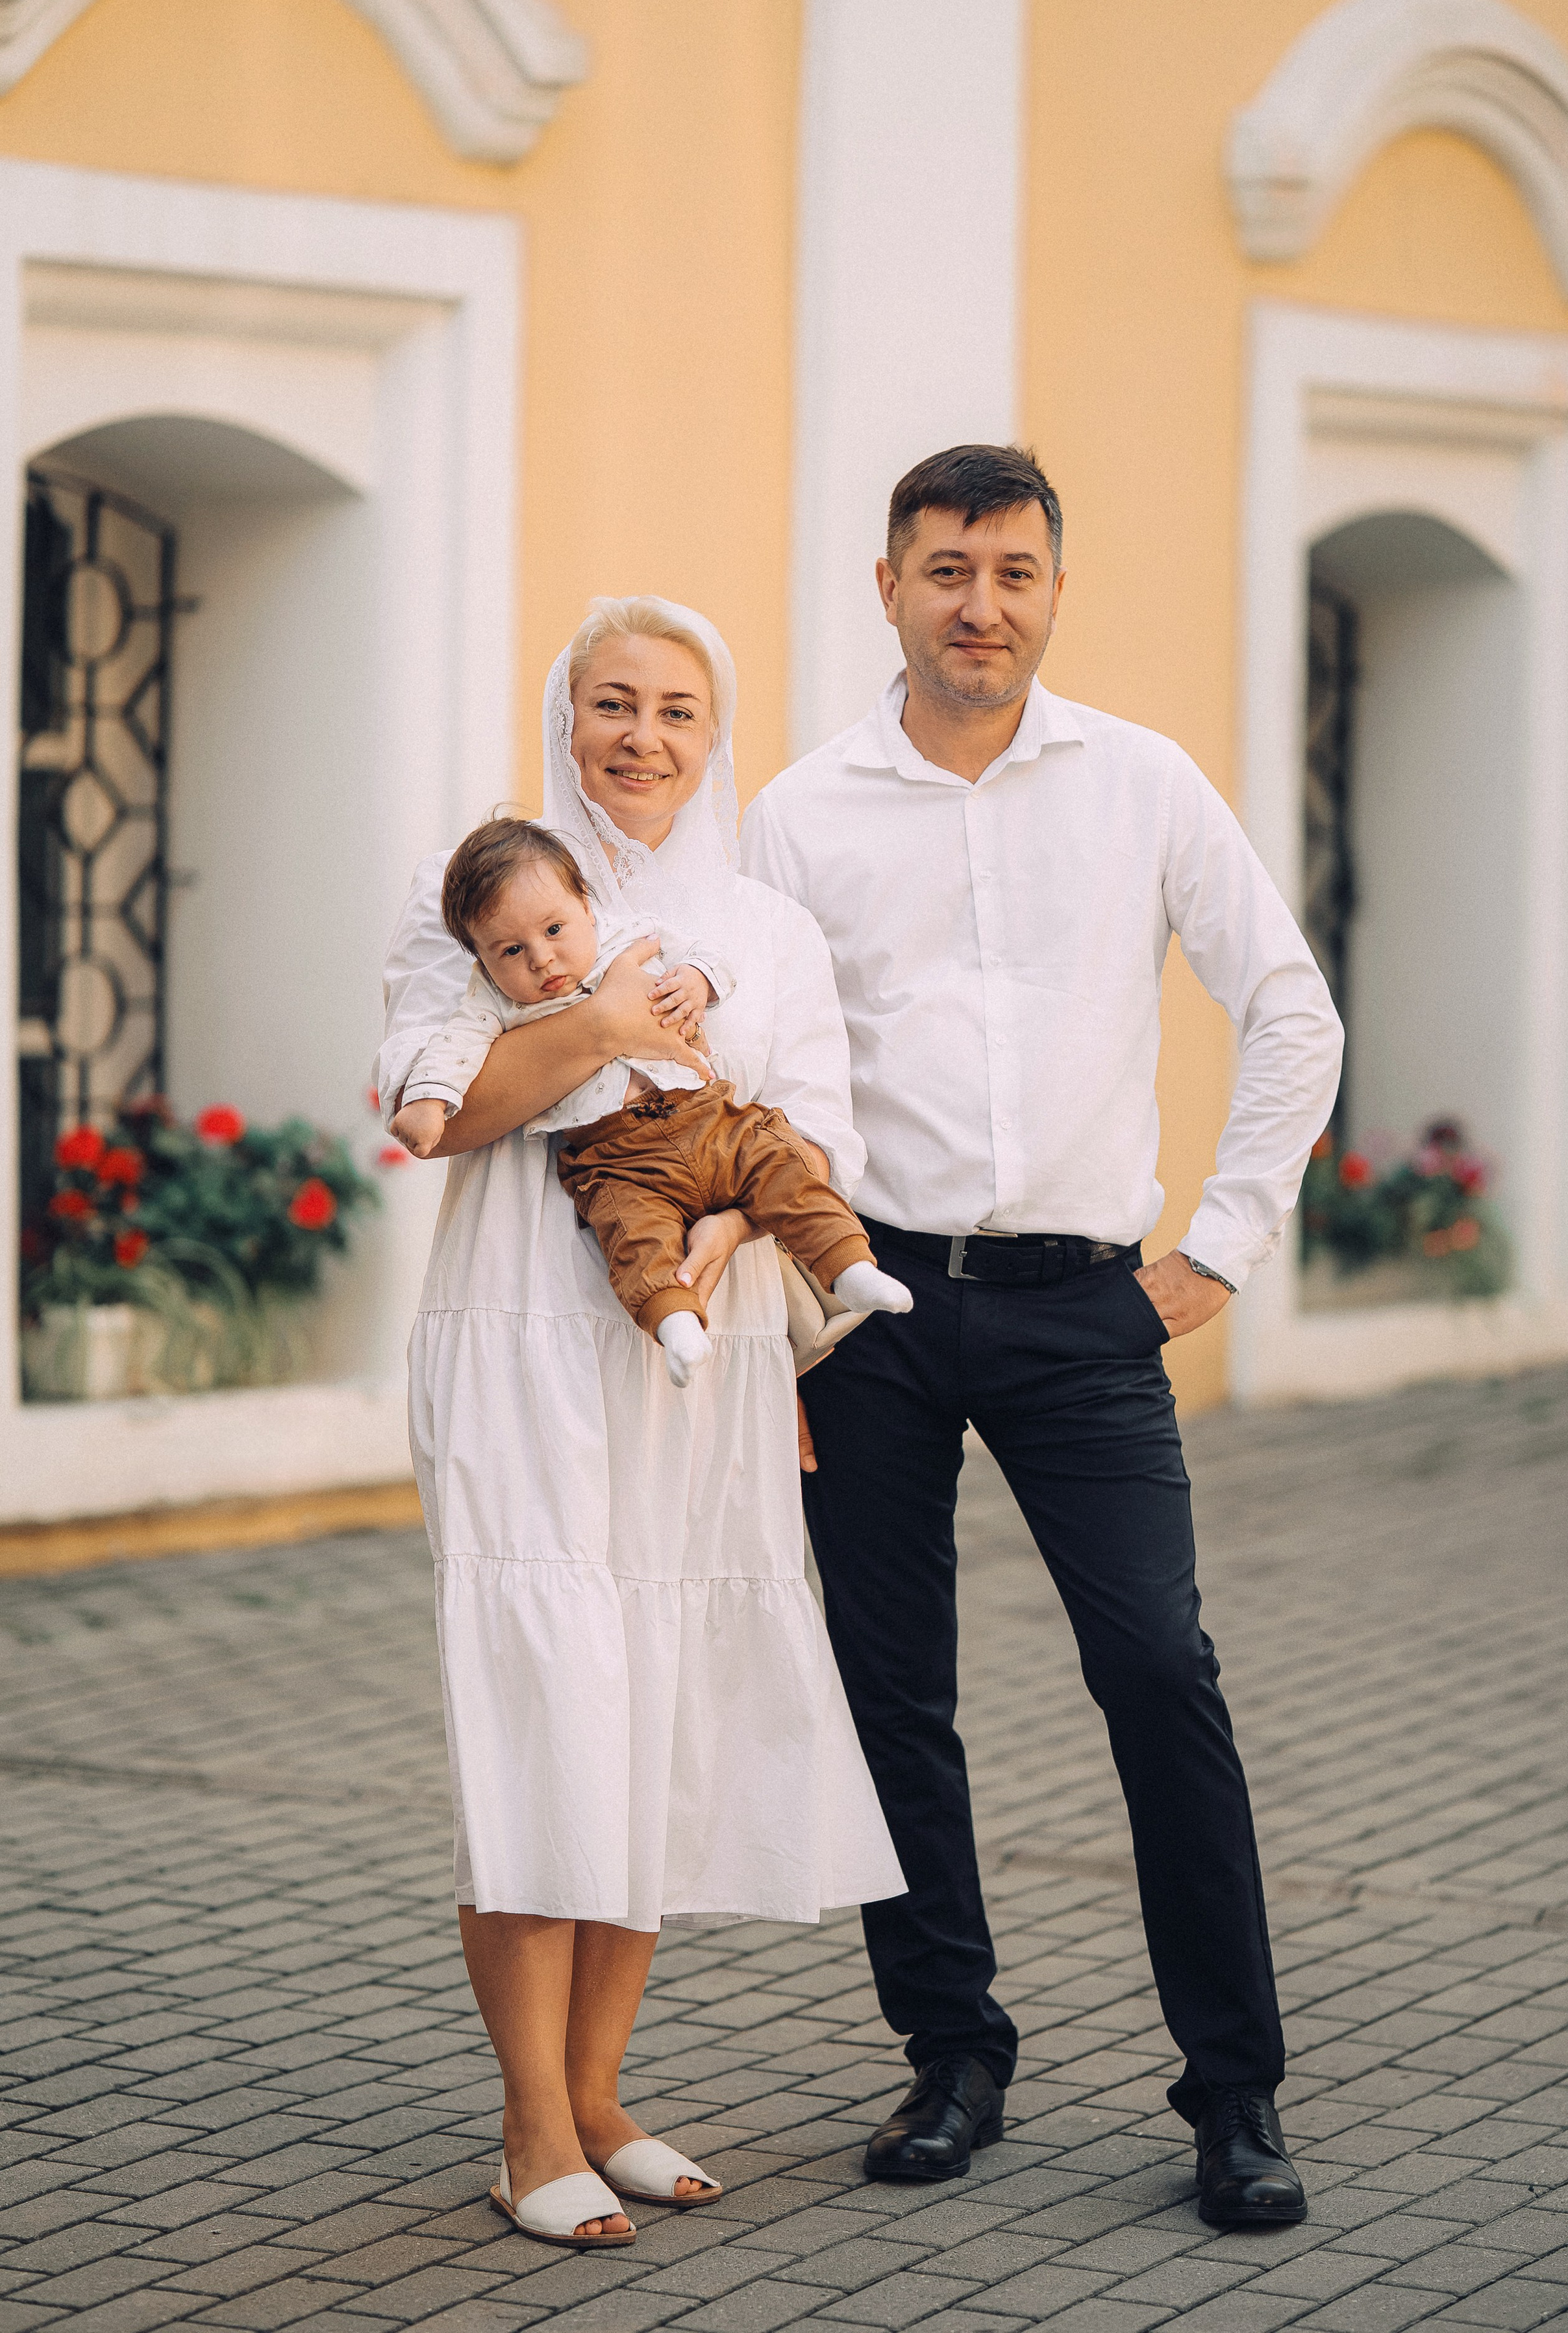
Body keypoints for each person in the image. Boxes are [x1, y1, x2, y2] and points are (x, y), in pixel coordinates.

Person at [743, 446, 1344, 2230]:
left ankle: (1235, 2094)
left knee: (1162, 1672)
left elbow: (1290, 1012)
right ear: (889, 589)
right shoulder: (799, 814)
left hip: (1088, 1308)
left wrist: (1222, 1246)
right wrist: (781, 1307)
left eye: (1012, 571)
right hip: (873, 1310)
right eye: (947, 571)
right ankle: (952, 2051)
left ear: (1055, 591)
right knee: (888, 1693)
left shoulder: (1142, 784)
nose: (979, 604)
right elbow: (760, 1083)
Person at [376, 594, 904, 2251]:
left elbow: (811, 1135)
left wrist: (720, 1258)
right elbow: (446, 1110)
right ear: (567, 714)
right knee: (547, 1693)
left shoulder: (767, 924)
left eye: (677, 706)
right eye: (612, 701)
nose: (643, 735)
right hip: (523, 1340)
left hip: (696, 1346)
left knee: (657, 1708)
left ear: (714, 728)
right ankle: (526, 2118)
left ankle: (600, 2092)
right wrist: (597, 1025)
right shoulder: (474, 893)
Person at [390, 816, 910, 1384]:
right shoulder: (489, 1000)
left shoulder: (629, 937)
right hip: (612, 1155)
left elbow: (707, 958)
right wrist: (428, 1103)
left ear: (586, 908)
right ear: (483, 960)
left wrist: (697, 981)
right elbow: (452, 1053)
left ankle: (849, 1266)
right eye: (512, 950)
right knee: (634, 1234)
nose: (541, 959)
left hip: (707, 1118)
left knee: (778, 1162)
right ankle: (675, 1323)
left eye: (555, 930)